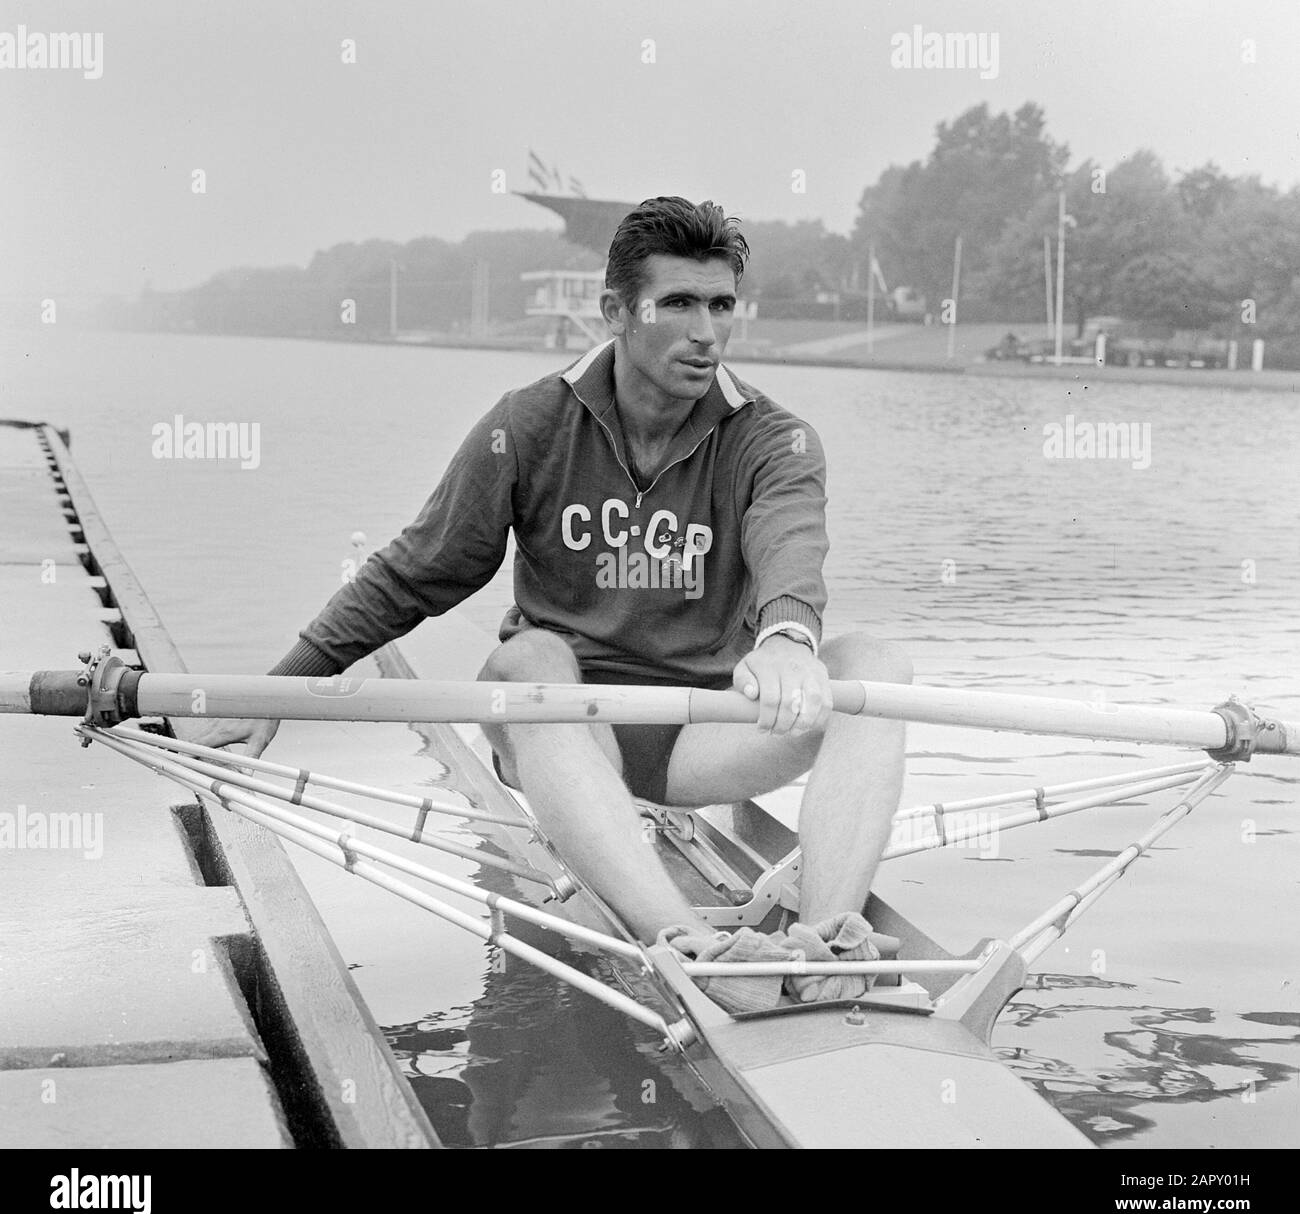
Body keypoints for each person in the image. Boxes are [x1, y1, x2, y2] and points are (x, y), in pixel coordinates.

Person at [190, 197, 912, 1014]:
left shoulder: (774, 440)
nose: (706, 331)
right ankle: (691, 951)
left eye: (720, 305)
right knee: (532, 656)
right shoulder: (527, 426)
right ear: (614, 312)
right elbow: (417, 572)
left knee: (876, 666)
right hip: (565, 729)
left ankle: (828, 942)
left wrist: (786, 639)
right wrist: (280, 689)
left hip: (701, 738)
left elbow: (792, 548)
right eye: (676, 303)